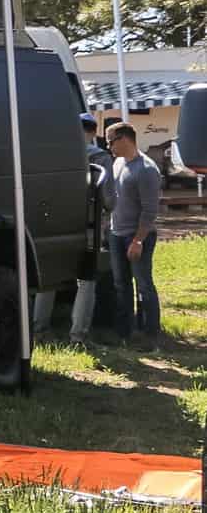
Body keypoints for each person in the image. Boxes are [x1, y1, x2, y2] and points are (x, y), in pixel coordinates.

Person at [33, 113, 116, 345]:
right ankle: (78, 336)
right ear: (93, 131)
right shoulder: (100, 157)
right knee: (86, 281)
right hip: (88, 227)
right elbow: (109, 200)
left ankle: (39, 330)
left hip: (54, 225)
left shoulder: (53, 155)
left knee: (48, 279)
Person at [106, 121, 162, 348]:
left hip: (137, 236)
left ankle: (150, 334)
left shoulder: (146, 169)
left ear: (125, 139)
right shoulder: (118, 162)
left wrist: (138, 240)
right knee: (121, 284)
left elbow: (150, 210)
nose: (109, 147)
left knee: (144, 284)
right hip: (116, 234)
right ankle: (125, 333)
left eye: (111, 141)